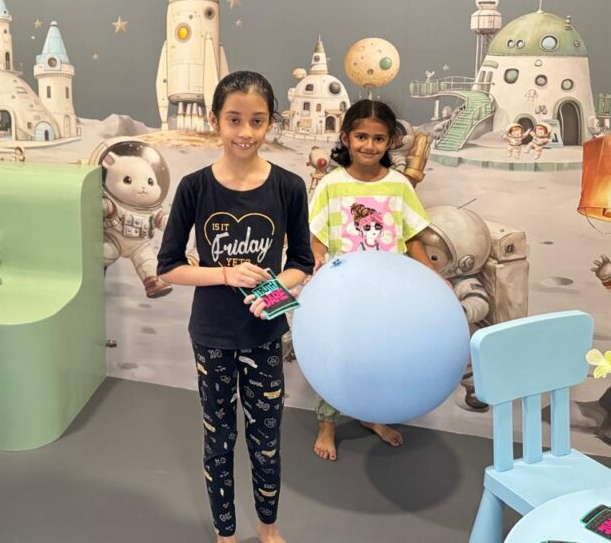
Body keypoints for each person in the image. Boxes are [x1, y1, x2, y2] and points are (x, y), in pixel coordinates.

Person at [158, 71, 313, 543]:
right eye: (234, 119)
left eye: (257, 120)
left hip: (264, 336)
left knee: (267, 443)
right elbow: (169, 267)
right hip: (212, 337)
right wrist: (225, 274)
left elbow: (301, 263)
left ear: (271, 122)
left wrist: (273, 288)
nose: (245, 132)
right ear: (215, 121)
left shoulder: (289, 186)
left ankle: (268, 527)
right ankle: (225, 533)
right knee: (219, 439)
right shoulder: (194, 187)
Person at [280, 99, 442, 462]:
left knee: (380, 355)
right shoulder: (332, 185)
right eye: (362, 137)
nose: (369, 145)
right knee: (337, 356)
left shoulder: (399, 186)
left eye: (379, 139)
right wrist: (316, 258)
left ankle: (373, 415)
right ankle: (327, 423)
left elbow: (412, 237)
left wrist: (433, 277)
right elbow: (315, 234)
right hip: (344, 293)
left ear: (391, 141)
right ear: (346, 137)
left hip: (388, 293)